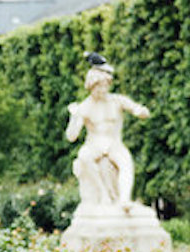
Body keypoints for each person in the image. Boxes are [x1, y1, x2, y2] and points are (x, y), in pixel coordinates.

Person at [64, 62, 151, 211]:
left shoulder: (117, 100)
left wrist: (140, 111)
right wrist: (74, 116)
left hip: (114, 143)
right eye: (99, 86)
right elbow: (71, 136)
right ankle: (103, 193)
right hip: (94, 144)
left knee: (126, 163)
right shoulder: (85, 106)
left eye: (106, 85)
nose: (103, 89)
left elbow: (137, 108)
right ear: (91, 86)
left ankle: (124, 199)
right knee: (84, 157)